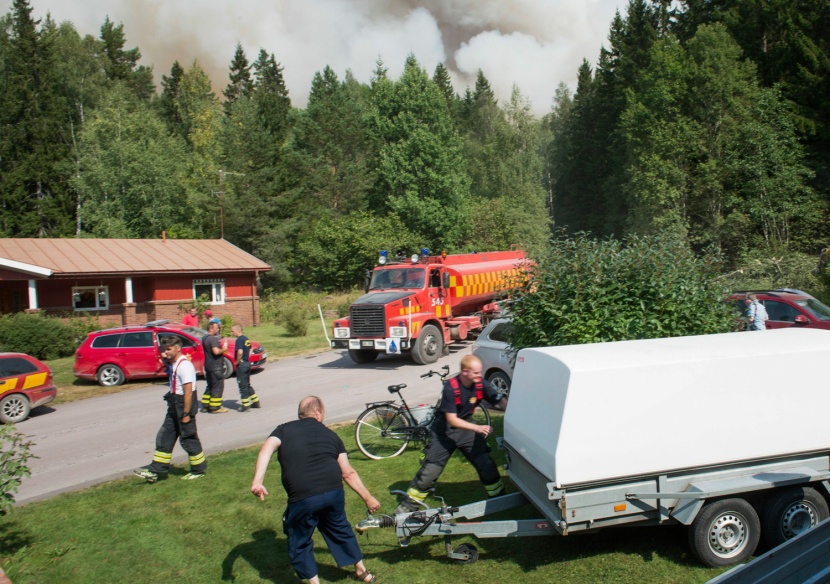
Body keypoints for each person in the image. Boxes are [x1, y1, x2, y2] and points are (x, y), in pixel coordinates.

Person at [251, 396, 381, 584]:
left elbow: (266, 449)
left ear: (300, 414)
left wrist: (258, 481)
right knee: (340, 529)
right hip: (333, 493)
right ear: (319, 413)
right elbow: (348, 473)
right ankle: (363, 572)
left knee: (299, 540)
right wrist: (368, 498)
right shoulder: (332, 435)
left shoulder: (283, 429)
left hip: (303, 498)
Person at [395, 354, 508, 515]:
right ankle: (407, 507)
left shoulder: (480, 383)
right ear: (465, 372)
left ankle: (500, 500)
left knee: (486, 464)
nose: (479, 376)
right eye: (476, 373)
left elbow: (500, 401)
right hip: (444, 432)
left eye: (480, 372)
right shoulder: (451, 386)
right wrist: (478, 428)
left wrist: (512, 412)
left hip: (466, 429)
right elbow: (452, 420)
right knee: (430, 472)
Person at [134, 336, 207, 482]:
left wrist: (186, 414)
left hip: (183, 405)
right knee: (165, 435)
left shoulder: (184, 366)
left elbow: (188, 392)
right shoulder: (174, 363)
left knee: (188, 438)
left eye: (168, 349)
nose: (165, 352)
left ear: (178, 348)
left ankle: (198, 470)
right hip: (174, 404)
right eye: (164, 349)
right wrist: (164, 357)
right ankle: (157, 469)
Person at [231, 324, 261, 412]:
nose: (232, 333)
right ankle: (256, 402)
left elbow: (240, 352)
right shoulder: (246, 338)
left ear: (238, 330)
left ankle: (245, 405)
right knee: (247, 384)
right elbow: (250, 349)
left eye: (233, 331)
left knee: (242, 385)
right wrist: (246, 358)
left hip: (242, 365)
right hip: (247, 363)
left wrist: (237, 361)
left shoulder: (239, 340)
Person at [201, 318, 229, 413]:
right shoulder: (213, 339)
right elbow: (216, 351)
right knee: (217, 386)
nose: (218, 329)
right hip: (216, 367)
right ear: (211, 328)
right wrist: (224, 349)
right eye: (217, 328)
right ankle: (215, 407)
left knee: (210, 386)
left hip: (208, 366)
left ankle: (205, 405)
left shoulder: (205, 338)